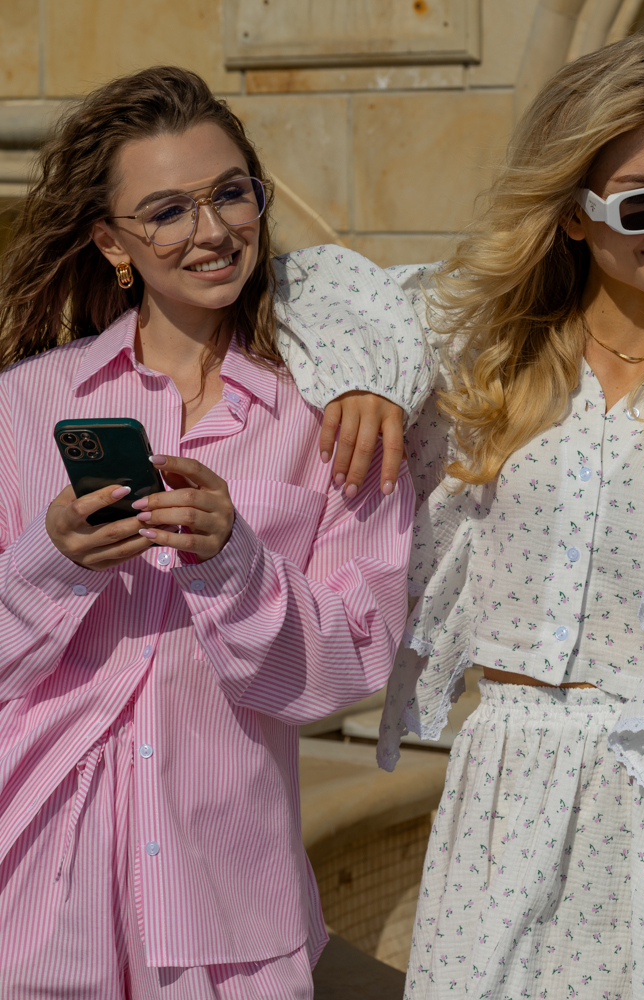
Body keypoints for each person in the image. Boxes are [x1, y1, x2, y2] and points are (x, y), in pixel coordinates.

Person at [345, 32, 644, 1000]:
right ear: (574, 217)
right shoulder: (490, 357)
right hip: (511, 779)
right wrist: (367, 379)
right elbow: (316, 293)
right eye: (642, 201)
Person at [0, 66, 434, 999]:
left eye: (230, 193)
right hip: (33, 884)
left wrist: (238, 566)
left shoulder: (335, 418)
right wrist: (50, 563)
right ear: (110, 241)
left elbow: (355, 660)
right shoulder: (23, 405)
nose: (211, 231)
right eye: (166, 210)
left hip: (229, 902)